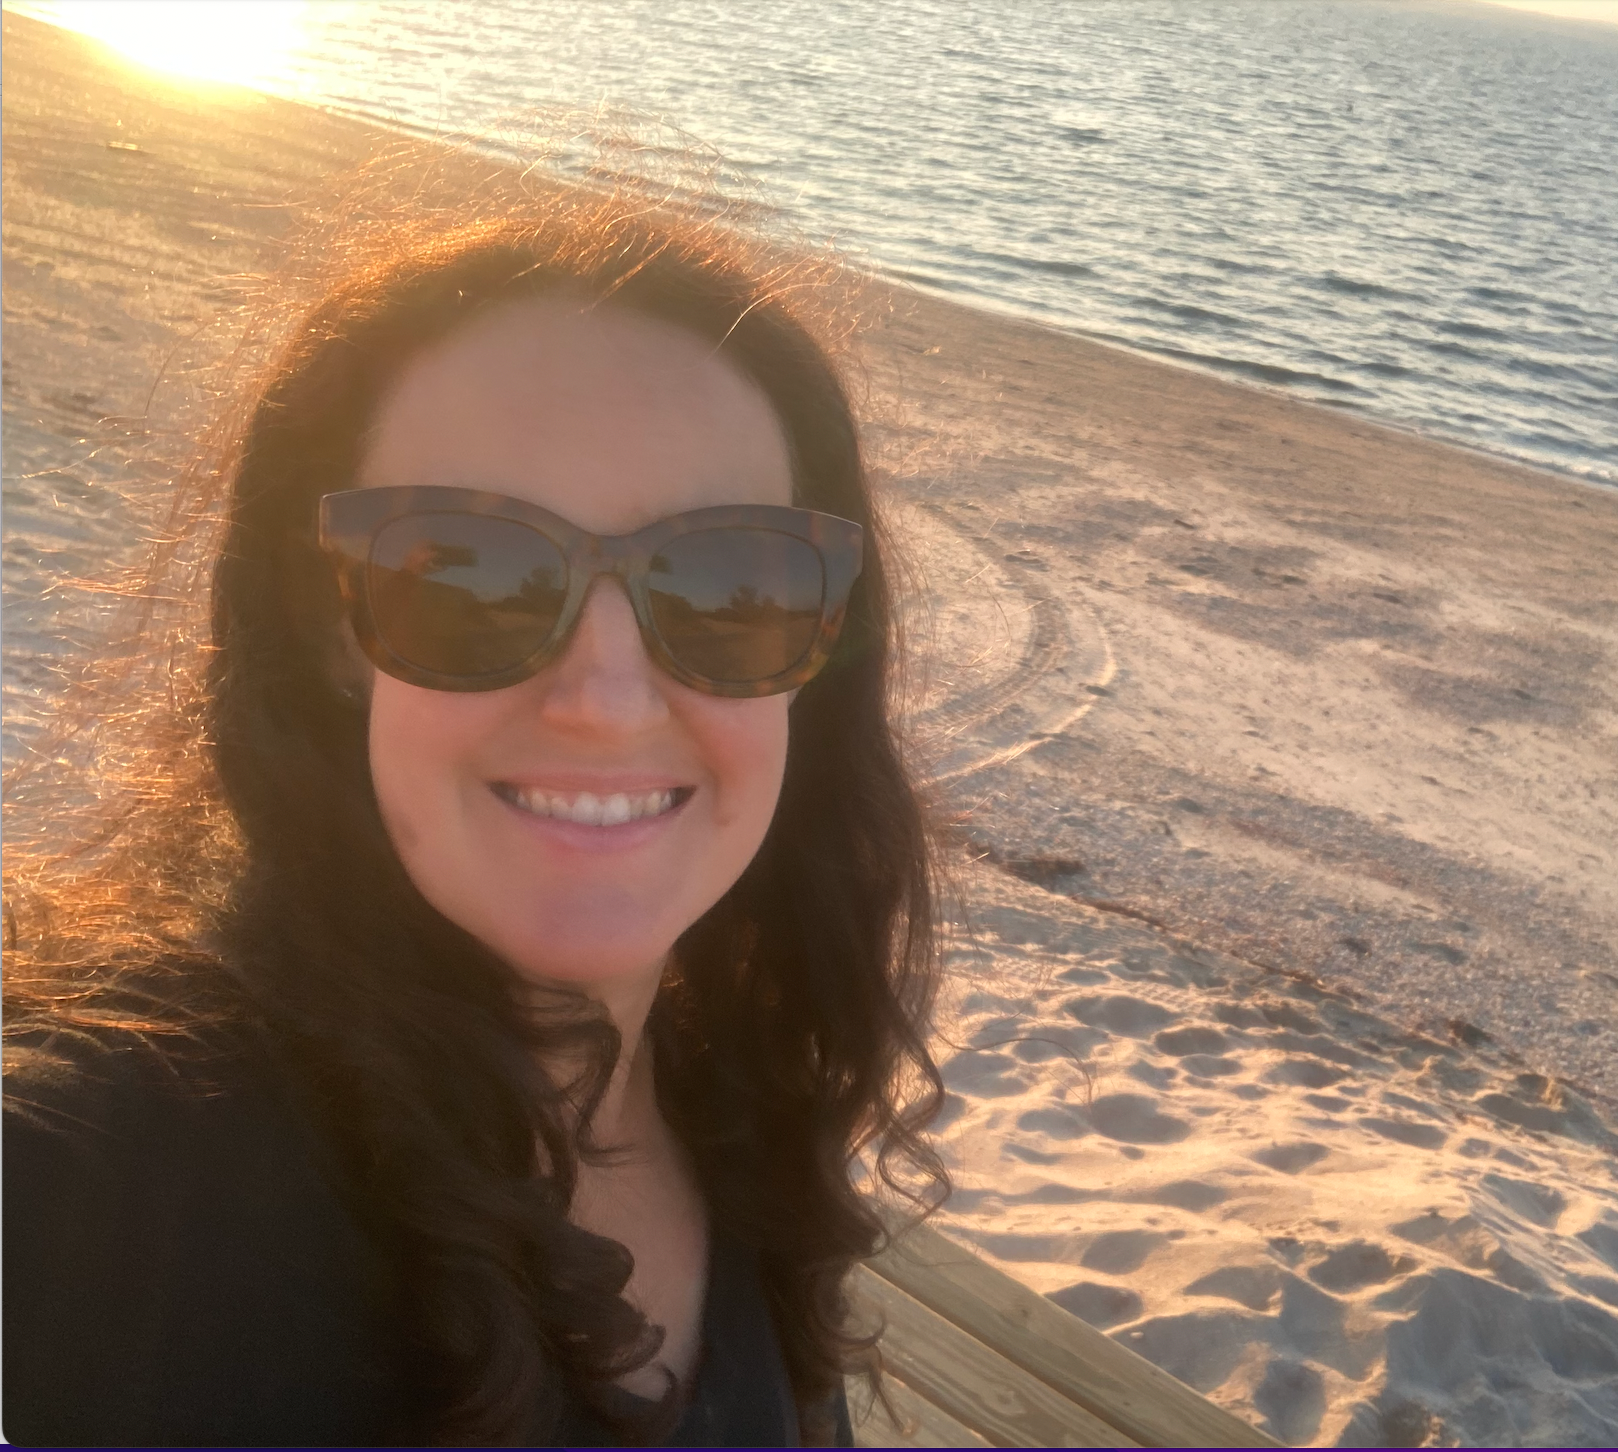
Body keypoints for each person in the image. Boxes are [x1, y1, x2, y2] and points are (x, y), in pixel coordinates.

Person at [3, 143, 949, 1447]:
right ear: (330, 635)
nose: (606, 697)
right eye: (464, 575)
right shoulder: (88, 1192)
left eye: (732, 584)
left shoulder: (738, 1112)